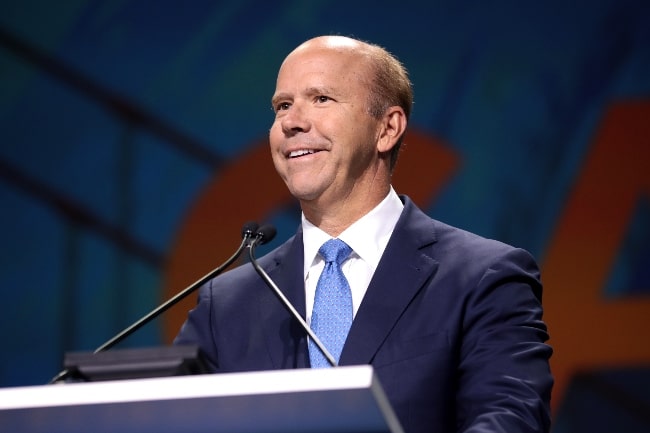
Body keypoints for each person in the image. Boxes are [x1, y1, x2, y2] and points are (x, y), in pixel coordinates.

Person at [174, 35, 553, 432]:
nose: (291, 121)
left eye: (321, 99)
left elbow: (512, 420)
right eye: (282, 105)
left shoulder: (482, 277)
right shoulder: (228, 302)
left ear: (387, 128)